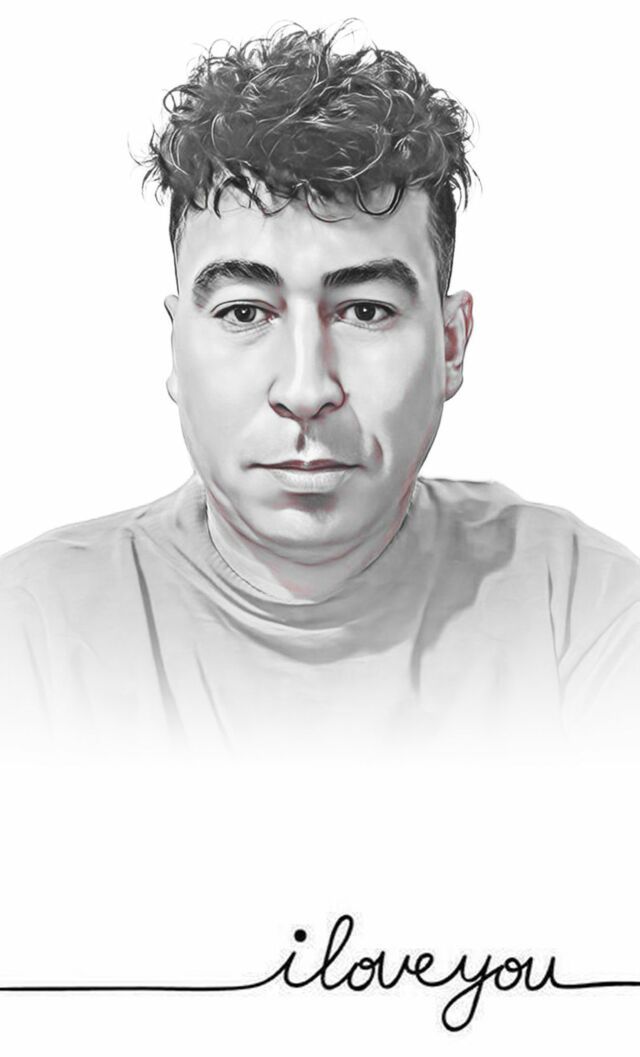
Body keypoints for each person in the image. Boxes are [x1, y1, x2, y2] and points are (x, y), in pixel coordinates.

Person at [0, 23, 638, 772]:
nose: (305, 391)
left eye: (365, 311)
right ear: (176, 346)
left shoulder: (580, 610)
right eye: (245, 312)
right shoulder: (34, 632)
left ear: (451, 344)